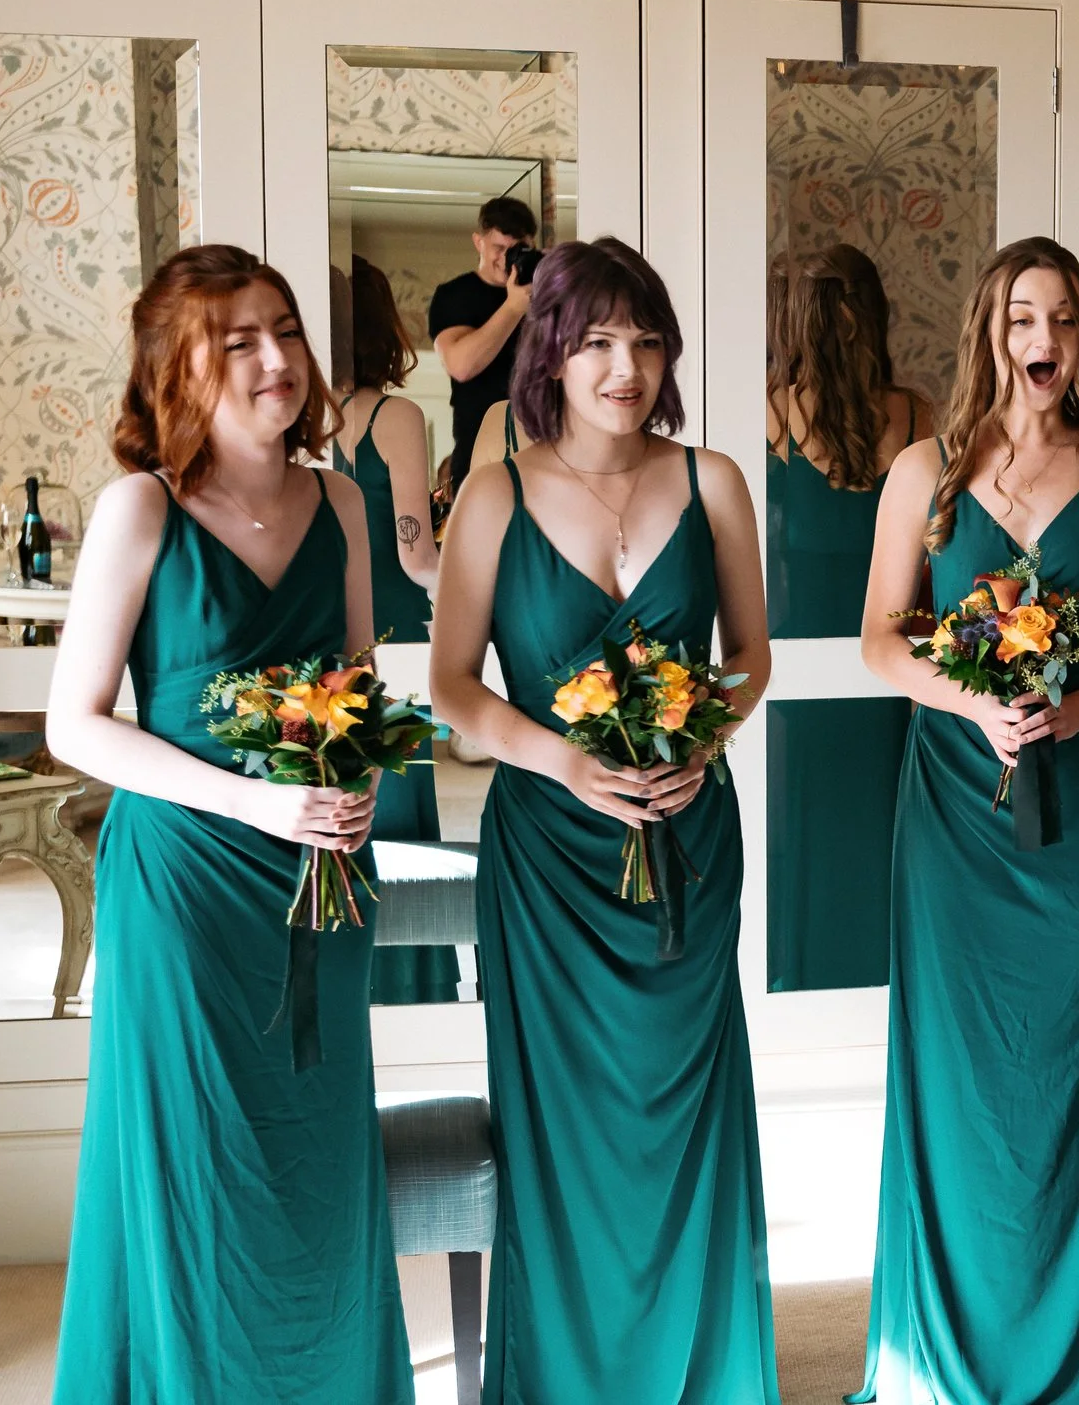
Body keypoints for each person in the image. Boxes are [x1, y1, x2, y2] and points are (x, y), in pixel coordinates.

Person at [46, 245, 410, 1403]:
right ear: (178, 367)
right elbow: (77, 725)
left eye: (287, 332)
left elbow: (356, 686)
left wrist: (351, 787)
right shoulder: (139, 507)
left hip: (317, 888)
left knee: (315, 1162)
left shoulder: (344, 500)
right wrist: (255, 798)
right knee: (196, 1174)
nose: (275, 359)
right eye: (238, 339)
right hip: (187, 893)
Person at [430, 238, 780, 1403]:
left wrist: (698, 741)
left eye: (644, 341)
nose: (624, 367)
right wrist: (566, 763)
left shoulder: (713, 479)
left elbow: (749, 659)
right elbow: (455, 685)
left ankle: (703, 1371)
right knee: (564, 1136)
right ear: (552, 354)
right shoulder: (495, 491)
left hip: (686, 840)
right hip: (549, 864)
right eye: (595, 343)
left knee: (680, 1115)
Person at [853, 236, 1079, 1405]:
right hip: (953, 811)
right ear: (989, 333)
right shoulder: (923, 470)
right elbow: (881, 641)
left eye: (1064, 323)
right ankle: (946, 1358)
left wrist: (1069, 711)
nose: (1042, 344)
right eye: (1021, 321)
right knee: (958, 1070)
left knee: (1072, 1062)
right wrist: (983, 706)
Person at [766, 244, 932, 991]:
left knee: (818, 840)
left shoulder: (768, 415)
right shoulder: (913, 413)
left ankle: (810, 992)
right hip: (864, 670)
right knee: (870, 838)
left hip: (822, 670)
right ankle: (872, 992)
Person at [333, 255, 455, 1004]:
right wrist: (479, 589)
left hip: (330, 639)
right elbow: (416, 556)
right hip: (395, 640)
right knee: (402, 823)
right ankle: (412, 990)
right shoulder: (395, 417)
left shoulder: (298, 418)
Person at [429, 193, 538, 497]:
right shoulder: (455, 295)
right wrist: (514, 307)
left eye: (516, 250)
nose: (505, 259)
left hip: (540, 444)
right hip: (477, 447)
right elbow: (461, 366)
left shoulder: (544, 295)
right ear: (478, 242)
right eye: (498, 248)